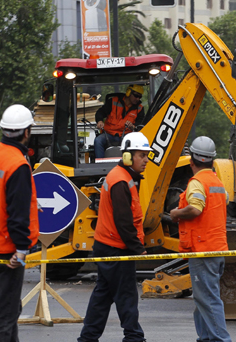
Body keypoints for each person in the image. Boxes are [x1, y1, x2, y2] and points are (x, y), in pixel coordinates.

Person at [0, 104, 40, 341]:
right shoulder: (18, 164)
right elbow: (17, 214)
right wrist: (21, 249)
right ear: (26, 132)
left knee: (10, 307)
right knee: (6, 312)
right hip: (8, 249)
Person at [78, 132, 150, 342]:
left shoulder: (122, 177)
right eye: (141, 155)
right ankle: (134, 337)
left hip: (108, 245)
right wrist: (137, 248)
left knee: (103, 295)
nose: (146, 160)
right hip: (116, 248)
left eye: (147, 155)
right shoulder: (121, 180)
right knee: (126, 295)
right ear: (128, 157)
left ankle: (88, 338)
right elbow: (123, 221)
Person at [170, 136, 232, 342]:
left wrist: (176, 213)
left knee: (208, 299)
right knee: (202, 299)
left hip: (203, 249)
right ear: (212, 161)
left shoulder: (197, 183)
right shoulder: (218, 183)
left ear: (191, 161)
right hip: (217, 248)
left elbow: (195, 208)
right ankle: (205, 338)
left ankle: (221, 340)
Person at [94, 84, 146, 159]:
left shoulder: (140, 108)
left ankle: (130, 164)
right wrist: (99, 121)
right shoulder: (113, 102)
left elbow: (141, 124)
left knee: (136, 143)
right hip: (109, 134)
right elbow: (100, 112)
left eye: (140, 97)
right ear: (128, 93)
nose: (138, 99)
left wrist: (133, 127)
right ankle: (100, 164)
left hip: (126, 135)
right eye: (136, 96)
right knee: (98, 141)